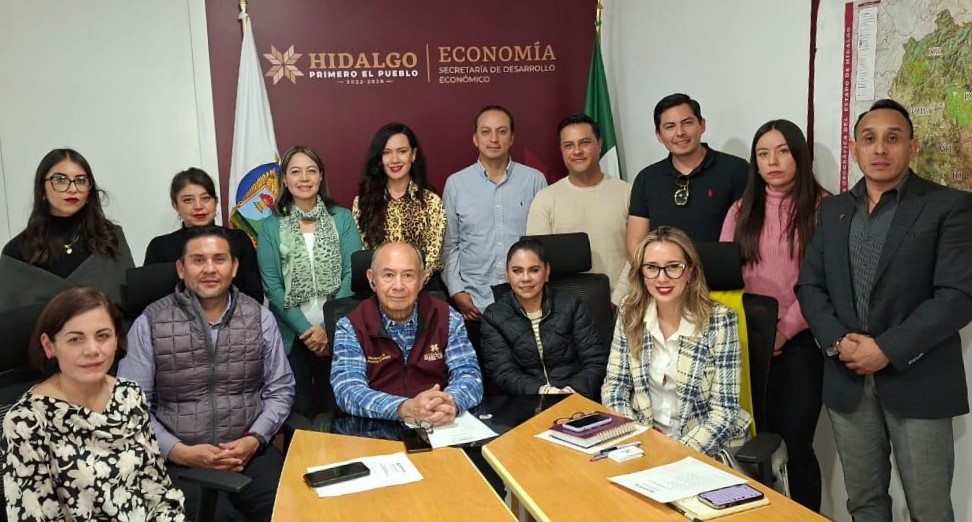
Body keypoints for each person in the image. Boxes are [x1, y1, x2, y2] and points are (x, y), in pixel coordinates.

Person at [797, 99, 972, 521]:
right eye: (869, 139)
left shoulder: (948, 206)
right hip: (848, 379)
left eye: (892, 138)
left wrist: (886, 349)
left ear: (912, 147)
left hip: (918, 379)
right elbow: (810, 285)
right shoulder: (833, 210)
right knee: (864, 504)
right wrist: (838, 341)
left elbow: (957, 296)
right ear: (854, 148)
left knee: (929, 509)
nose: (879, 149)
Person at [119, 226, 295, 521]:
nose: (210, 269)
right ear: (181, 269)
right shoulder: (150, 322)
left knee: (288, 509)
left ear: (234, 267)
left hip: (249, 453)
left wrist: (255, 438)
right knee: (215, 516)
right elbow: (132, 406)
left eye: (219, 259)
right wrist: (178, 451)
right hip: (179, 461)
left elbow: (280, 389)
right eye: (198, 260)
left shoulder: (259, 317)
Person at [1, 287, 185, 521]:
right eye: (75, 339)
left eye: (103, 336)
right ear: (49, 346)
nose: (92, 350)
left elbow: (158, 489)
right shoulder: (26, 421)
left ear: (116, 340)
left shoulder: (129, 395)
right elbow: (33, 515)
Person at [720, 119, 827, 511]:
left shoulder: (823, 208)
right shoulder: (740, 209)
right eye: (763, 154)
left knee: (795, 445)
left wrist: (785, 329)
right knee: (750, 444)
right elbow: (723, 275)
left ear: (799, 154)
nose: (773, 162)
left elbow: (823, 282)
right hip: (747, 342)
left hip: (800, 345)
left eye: (782, 151)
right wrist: (749, 331)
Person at [602, 226, 750, 457]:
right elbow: (615, 386)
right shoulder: (630, 313)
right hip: (643, 442)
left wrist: (675, 454)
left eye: (673, 267)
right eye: (652, 268)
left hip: (705, 447)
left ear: (690, 271)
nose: (662, 278)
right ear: (641, 273)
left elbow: (724, 412)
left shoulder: (720, 321)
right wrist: (635, 439)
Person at [257, 145, 361, 415]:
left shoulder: (342, 218)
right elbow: (272, 287)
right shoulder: (270, 226)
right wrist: (308, 332)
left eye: (311, 171)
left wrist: (327, 328)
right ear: (284, 179)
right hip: (293, 334)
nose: (304, 178)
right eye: (295, 172)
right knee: (299, 411)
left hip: (338, 330)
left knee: (338, 408)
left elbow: (352, 274)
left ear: (321, 176)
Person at [331, 241, 483, 425]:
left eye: (408, 275)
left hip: (439, 425)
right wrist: (403, 408)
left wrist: (449, 403)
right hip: (376, 429)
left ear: (422, 280)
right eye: (388, 275)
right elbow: (347, 390)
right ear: (372, 280)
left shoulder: (447, 317)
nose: (398, 286)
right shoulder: (351, 326)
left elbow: (469, 376)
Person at [443, 105, 547, 329]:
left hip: (526, 301)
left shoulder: (534, 180)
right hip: (475, 304)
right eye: (486, 131)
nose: (493, 139)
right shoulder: (456, 184)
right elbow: (450, 245)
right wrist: (456, 291)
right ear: (475, 138)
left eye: (501, 131)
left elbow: (543, 244)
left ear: (512, 138)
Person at [0, 148, 134, 312]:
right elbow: (10, 321)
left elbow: (133, 307)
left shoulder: (110, 238)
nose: (72, 189)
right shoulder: (16, 253)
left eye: (80, 180)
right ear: (42, 189)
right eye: (60, 180)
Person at [481, 238, 607, 399]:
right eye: (517, 271)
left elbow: (595, 360)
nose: (525, 278)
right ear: (507, 275)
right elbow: (503, 372)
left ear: (546, 272)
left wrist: (570, 392)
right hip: (526, 402)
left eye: (534, 270)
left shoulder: (571, 305)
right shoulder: (494, 316)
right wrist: (547, 393)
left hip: (577, 397)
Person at [626, 93, 748, 257]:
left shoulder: (736, 169)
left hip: (722, 271)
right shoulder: (646, 179)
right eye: (670, 126)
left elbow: (750, 233)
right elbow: (636, 244)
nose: (680, 132)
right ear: (659, 135)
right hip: (667, 272)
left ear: (702, 125)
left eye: (687, 123)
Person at [527, 113, 631, 304]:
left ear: (599, 144)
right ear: (561, 150)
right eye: (569, 145)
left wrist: (617, 301)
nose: (577, 151)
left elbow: (638, 255)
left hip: (624, 304)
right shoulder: (545, 199)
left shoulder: (628, 193)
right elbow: (536, 261)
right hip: (565, 308)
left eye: (585, 143)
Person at [144, 167, 263, 301]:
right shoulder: (160, 247)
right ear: (175, 205)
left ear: (216, 202)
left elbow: (254, 294)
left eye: (205, 198)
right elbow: (152, 301)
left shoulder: (239, 240)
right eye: (188, 200)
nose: (198, 206)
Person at [352, 122, 446, 286]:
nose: (394, 160)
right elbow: (364, 256)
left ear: (413, 155)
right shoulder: (362, 203)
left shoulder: (431, 202)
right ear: (380, 158)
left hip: (422, 288)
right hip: (378, 290)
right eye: (387, 153)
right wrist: (386, 288)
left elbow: (432, 257)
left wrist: (407, 286)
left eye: (402, 151)